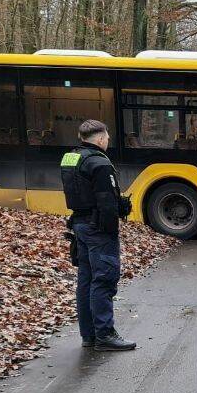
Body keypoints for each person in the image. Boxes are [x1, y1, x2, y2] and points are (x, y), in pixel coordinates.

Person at [60, 119, 135, 351]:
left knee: (86, 280)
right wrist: (113, 230)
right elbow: (106, 201)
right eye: (107, 137)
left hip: (80, 224)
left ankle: (89, 335)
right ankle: (105, 334)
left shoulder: (70, 158)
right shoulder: (99, 163)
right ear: (100, 138)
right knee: (104, 278)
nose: (109, 140)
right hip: (98, 229)